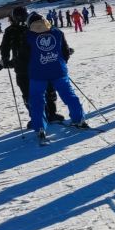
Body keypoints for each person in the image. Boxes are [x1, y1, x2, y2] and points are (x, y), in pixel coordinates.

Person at [22, 12, 88, 143]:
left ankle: (40, 127)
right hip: (58, 71)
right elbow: (65, 51)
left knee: (36, 100)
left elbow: (24, 57)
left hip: (37, 74)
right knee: (69, 95)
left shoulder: (27, 36)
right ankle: (79, 119)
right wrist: (61, 63)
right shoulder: (57, 32)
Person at [0, 6, 65, 125]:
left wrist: (59, 51)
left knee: (46, 90)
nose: (21, 19)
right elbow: (5, 46)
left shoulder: (35, 27)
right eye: (18, 17)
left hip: (39, 63)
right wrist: (4, 58)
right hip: (24, 66)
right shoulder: (11, 31)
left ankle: (50, 114)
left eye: (23, 16)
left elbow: (50, 38)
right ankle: (38, 117)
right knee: (30, 93)